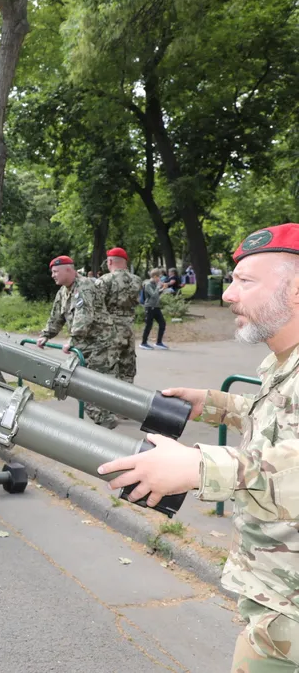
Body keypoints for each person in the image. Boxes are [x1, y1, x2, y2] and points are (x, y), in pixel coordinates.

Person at [98, 224, 299, 672]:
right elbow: (284, 420)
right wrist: (215, 405)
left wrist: (198, 466)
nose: (228, 295)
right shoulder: (285, 360)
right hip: (276, 596)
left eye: (245, 282)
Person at [37, 255, 117, 429]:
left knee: (89, 386)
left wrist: (72, 340)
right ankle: (104, 420)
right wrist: (46, 335)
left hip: (99, 344)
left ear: (68, 270)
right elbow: (56, 316)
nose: (53, 275)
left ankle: (106, 424)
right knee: (75, 382)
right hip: (84, 345)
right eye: (52, 272)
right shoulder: (64, 291)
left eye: (55, 271)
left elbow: (84, 317)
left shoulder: (85, 286)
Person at [97, 247, 142, 383]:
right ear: (125, 262)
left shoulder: (105, 280)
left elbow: (97, 305)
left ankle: (109, 400)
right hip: (129, 326)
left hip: (110, 328)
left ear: (110, 261)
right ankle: (127, 397)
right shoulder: (137, 280)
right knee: (127, 366)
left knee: (108, 366)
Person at [139, 268, 169, 350]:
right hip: (149, 307)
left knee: (162, 323)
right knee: (148, 325)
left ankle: (159, 342)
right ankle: (143, 343)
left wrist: (162, 289)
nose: (160, 278)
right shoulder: (148, 284)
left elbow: (157, 294)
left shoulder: (154, 283)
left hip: (156, 307)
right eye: (159, 276)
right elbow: (153, 295)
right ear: (155, 276)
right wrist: (159, 286)